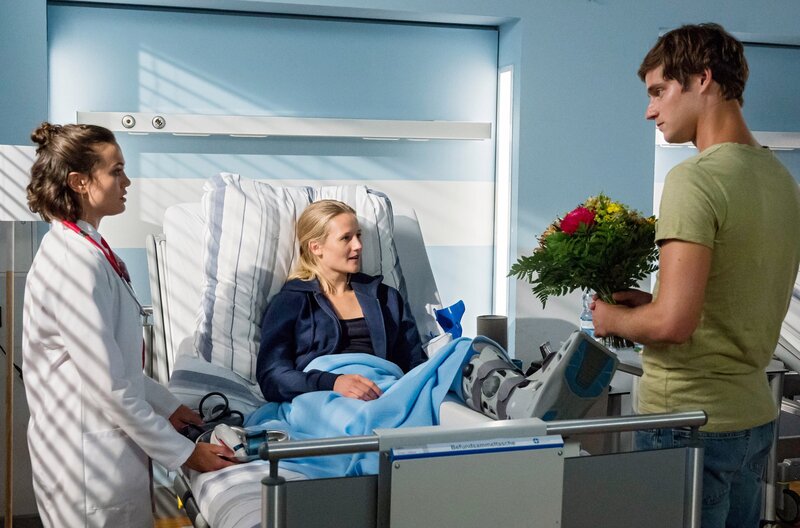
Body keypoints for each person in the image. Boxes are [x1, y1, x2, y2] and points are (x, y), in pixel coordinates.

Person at [590, 23, 800, 528]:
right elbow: (729, 298)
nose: (650, 110)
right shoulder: (781, 180)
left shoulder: (695, 179)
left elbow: (673, 325)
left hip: (687, 421)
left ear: (702, 79)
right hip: (752, 421)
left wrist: (611, 319)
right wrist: (653, 304)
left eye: (659, 91)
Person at [22, 123, 234, 528]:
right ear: (79, 182)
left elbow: (116, 365)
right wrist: (187, 454)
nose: (127, 182)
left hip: (100, 453)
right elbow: (110, 384)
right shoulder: (72, 264)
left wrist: (170, 407)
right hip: (85, 465)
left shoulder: (88, 250)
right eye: (116, 171)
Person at [256, 199, 425, 403]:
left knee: (456, 351)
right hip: (324, 398)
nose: (358, 246)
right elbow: (272, 377)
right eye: (346, 238)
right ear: (316, 247)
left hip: (385, 390)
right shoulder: (290, 302)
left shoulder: (386, 298)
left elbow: (415, 363)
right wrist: (333, 382)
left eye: (359, 235)